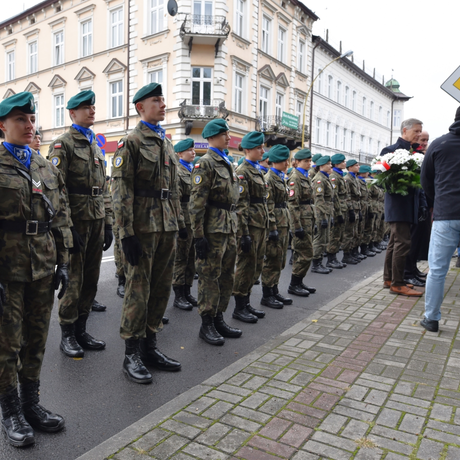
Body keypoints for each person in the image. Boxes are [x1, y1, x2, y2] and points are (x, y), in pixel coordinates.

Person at [0, 92, 70, 447]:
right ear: (2, 125)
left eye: (31, 119)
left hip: (43, 265)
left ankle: (31, 404)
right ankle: (10, 411)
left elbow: (60, 217)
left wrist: (65, 261)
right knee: (7, 343)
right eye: (20, 120)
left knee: (37, 337)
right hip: (7, 269)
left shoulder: (44, 166)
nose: (29, 126)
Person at [112, 82, 183, 383]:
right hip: (142, 226)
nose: (163, 104)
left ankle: (150, 346)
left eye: (163, 99)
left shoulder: (166, 143)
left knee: (161, 287)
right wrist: (125, 233)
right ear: (141, 107)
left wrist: (180, 224)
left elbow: (175, 190)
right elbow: (120, 189)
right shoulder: (132, 142)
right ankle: (132, 354)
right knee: (138, 290)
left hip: (166, 225)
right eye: (156, 100)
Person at [48, 90, 113, 357]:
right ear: (72, 113)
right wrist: (67, 226)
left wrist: (108, 221)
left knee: (91, 278)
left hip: (96, 220)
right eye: (86, 107)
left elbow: (104, 187)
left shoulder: (95, 146)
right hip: (76, 221)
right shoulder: (64, 144)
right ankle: (67, 332)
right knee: (73, 280)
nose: (92, 110)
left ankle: (81, 328)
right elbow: (56, 189)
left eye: (93, 106)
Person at [190, 118, 242, 346]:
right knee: (210, 276)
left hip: (228, 226)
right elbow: (197, 203)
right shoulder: (206, 163)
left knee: (227, 274)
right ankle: (206, 323)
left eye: (228, 134)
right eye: (224, 134)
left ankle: (219, 316)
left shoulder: (227, 162)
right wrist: (198, 235)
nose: (228, 137)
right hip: (212, 228)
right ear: (211, 137)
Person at [420, 108, 460, 331]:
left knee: (437, 270)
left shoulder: (438, 144)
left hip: (446, 215)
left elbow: (425, 179)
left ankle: (432, 318)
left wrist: (439, 201)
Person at [380, 118, 425, 296]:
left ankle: (389, 278)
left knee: (394, 242)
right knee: (403, 243)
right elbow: (380, 179)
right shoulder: (390, 151)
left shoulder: (415, 153)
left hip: (410, 205)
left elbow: (418, 183)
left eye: (420, 131)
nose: (419, 134)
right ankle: (398, 284)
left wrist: (421, 204)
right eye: (416, 131)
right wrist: (397, 182)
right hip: (398, 205)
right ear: (404, 131)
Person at [233, 132, 272, 320]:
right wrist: (244, 234)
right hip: (250, 226)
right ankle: (239, 307)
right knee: (245, 266)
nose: (262, 151)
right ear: (248, 149)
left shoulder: (256, 170)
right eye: (259, 148)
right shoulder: (242, 172)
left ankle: (247, 303)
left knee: (256, 266)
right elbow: (241, 205)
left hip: (260, 224)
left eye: (262, 147)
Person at [287, 148, 316, 296]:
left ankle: (299, 281)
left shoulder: (305, 176)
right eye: (305, 161)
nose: (308, 163)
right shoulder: (295, 178)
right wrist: (296, 227)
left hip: (307, 220)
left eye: (310, 161)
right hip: (301, 223)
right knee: (303, 253)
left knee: (306, 252)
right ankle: (294, 284)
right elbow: (293, 205)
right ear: (297, 162)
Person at [172, 138, 197, 311]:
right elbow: (176, 201)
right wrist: (180, 224)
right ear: (180, 153)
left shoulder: (194, 171)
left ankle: (187, 290)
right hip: (184, 221)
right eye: (189, 150)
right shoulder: (177, 172)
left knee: (191, 258)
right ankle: (178, 294)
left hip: (194, 221)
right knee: (181, 258)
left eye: (194, 149)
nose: (193, 152)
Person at [311, 156, 334, 274]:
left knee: (324, 237)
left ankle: (320, 262)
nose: (331, 166)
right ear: (321, 165)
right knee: (319, 238)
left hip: (327, 212)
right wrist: (323, 217)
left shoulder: (326, 178)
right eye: (328, 164)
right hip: (321, 213)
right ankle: (316, 263)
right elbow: (319, 200)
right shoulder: (319, 179)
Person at [326, 154, 348, 269]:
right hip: (336, 210)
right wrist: (336, 213)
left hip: (342, 209)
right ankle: (330, 259)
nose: (345, 163)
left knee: (339, 234)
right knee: (334, 234)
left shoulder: (339, 175)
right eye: (342, 161)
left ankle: (334, 258)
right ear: (337, 163)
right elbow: (334, 197)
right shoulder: (334, 177)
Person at [342, 159, 361, 265]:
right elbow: (347, 196)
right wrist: (351, 210)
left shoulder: (355, 178)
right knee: (348, 232)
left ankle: (353, 252)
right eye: (356, 165)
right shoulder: (347, 179)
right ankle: (346, 254)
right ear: (350, 167)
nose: (358, 167)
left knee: (355, 232)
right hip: (351, 208)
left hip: (357, 207)